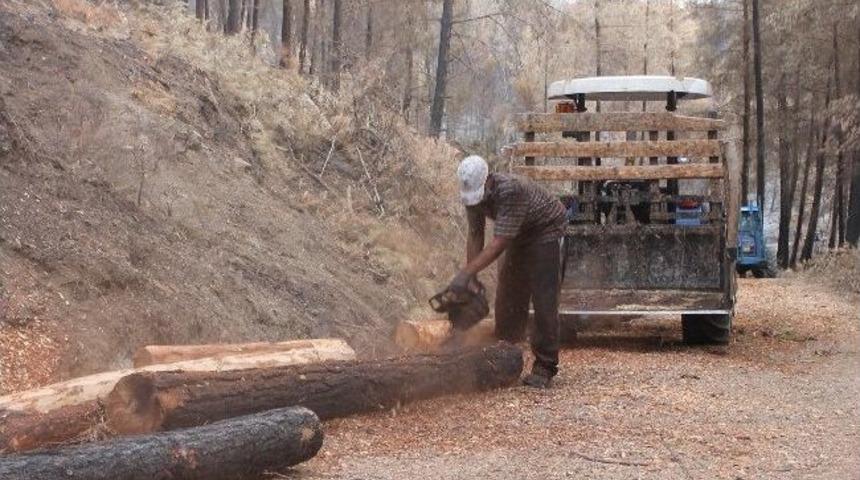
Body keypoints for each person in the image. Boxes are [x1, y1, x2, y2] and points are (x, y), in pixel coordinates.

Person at [448, 155, 567, 388]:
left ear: (489, 181)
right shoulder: (474, 197)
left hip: (546, 231)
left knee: (544, 298)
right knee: (508, 294)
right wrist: (471, 276)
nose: (476, 202)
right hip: (518, 234)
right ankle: (505, 353)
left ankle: (545, 366)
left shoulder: (511, 190)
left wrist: (464, 273)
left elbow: (498, 243)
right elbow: (475, 234)